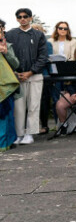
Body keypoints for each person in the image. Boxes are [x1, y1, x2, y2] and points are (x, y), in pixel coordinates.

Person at [5, 8, 48, 145]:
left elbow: (43, 57)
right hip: (17, 77)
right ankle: (19, 134)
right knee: (18, 107)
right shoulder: (10, 34)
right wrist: (16, 72)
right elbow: (7, 55)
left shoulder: (38, 35)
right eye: (20, 17)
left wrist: (31, 72)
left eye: (25, 16)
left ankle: (30, 134)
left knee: (33, 105)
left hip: (34, 76)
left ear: (30, 18)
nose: (23, 19)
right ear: (17, 18)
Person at [0, 19, 20, 150]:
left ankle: (7, 142)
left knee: (6, 113)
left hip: (6, 85)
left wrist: (5, 52)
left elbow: (16, 64)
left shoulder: (8, 45)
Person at [32, 23, 52, 135]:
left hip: (43, 75)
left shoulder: (47, 44)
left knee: (43, 101)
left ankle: (44, 125)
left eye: (37, 30)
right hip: (29, 76)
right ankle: (32, 127)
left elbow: (46, 59)